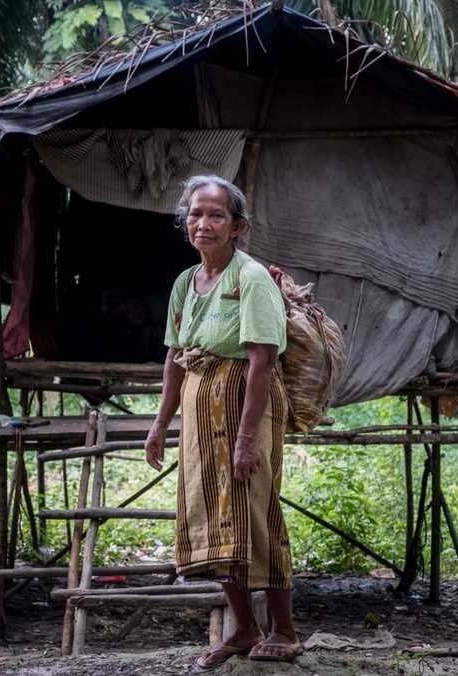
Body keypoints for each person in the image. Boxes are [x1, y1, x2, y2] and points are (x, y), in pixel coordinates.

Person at [142, 175, 301, 667]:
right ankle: (245, 628)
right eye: (195, 213)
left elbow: (261, 361)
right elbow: (175, 356)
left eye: (215, 215)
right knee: (209, 512)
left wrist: (246, 439)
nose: (203, 223)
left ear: (237, 226)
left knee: (255, 509)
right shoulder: (186, 283)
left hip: (241, 403)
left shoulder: (250, 279)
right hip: (197, 404)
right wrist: (160, 422)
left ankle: (285, 630)